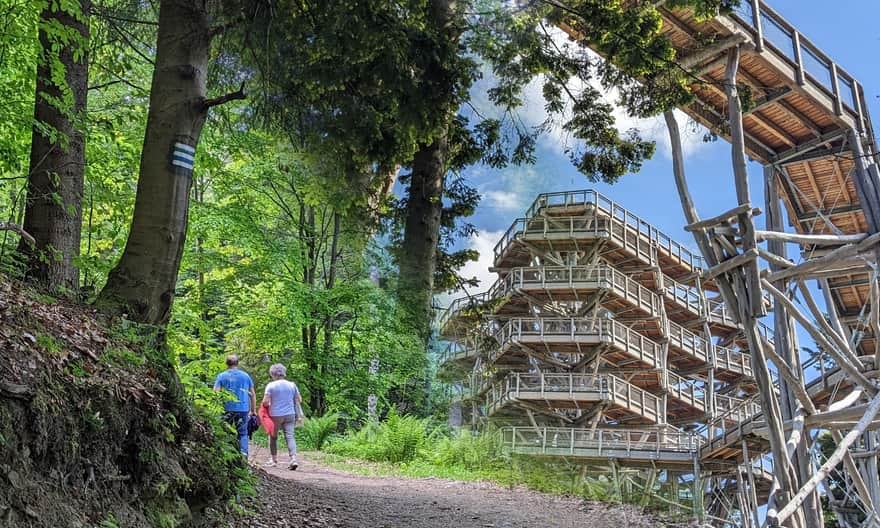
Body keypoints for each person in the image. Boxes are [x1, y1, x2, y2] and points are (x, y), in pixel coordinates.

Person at [213, 354, 256, 456]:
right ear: (238, 363)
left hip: (226, 408)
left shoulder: (221, 376)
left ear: (226, 363)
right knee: (243, 433)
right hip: (243, 408)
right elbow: (252, 394)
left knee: (225, 432)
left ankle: (226, 454)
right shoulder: (245, 376)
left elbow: (215, 393)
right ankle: (243, 454)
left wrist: (216, 407)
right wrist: (253, 410)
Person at [262, 363, 303, 470]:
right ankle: (293, 459)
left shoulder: (271, 385)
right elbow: (299, 399)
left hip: (275, 414)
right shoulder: (292, 385)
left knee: (273, 437)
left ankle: (274, 460)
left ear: (273, 374)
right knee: (290, 436)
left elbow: (265, 402)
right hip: (290, 414)